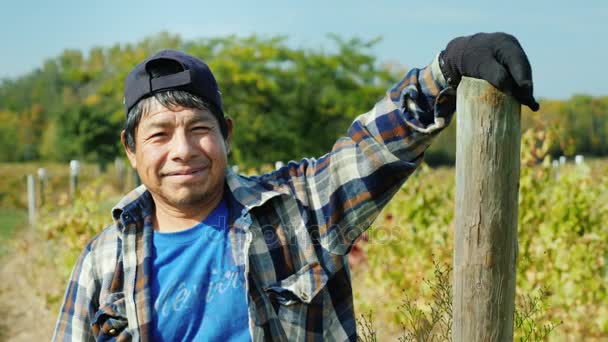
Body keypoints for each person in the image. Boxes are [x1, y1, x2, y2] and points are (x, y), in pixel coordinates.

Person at [52, 32, 538, 341]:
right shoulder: (103, 262)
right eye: (159, 134)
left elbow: (369, 150)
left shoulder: (294, 210)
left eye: (199, 128)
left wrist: (445, 70)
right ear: (131, 150)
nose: (182, 149)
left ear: (226, 133)